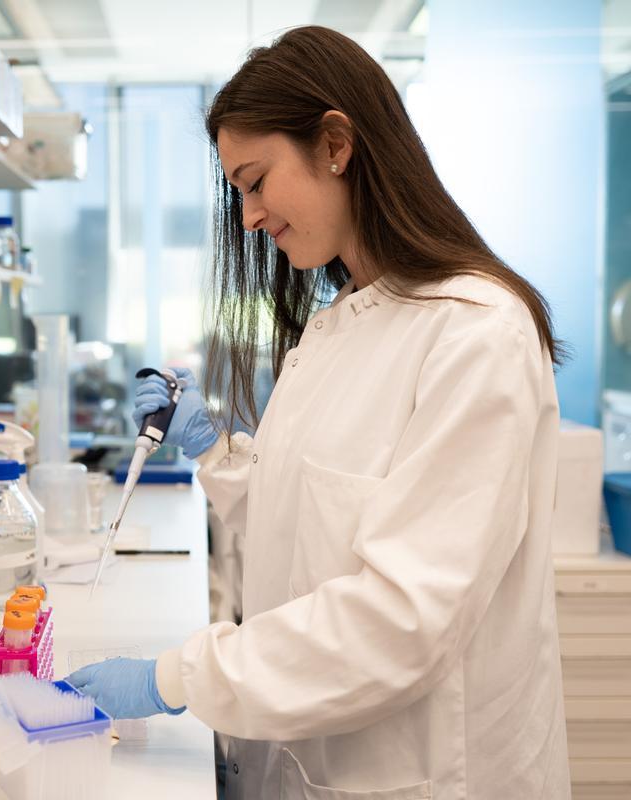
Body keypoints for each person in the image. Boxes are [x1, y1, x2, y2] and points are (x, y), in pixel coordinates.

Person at [67, 25, 570, 800]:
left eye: (257, 180)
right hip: (311, 759)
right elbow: (311, 518)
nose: (248, 217)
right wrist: (216, 454)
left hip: (427, 775)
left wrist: (176, 676)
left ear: (336, 144)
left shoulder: (476, 334)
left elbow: (400, 620)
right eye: (237, 190)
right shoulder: (342, 324)